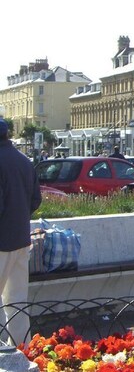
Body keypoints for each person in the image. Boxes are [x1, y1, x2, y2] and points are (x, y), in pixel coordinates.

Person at [0, 118, 42, 346]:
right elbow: (36, 200)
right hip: (20, 239)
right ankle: (21, 350)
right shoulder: (24, 161)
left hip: (1, 242)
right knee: (17, 301)